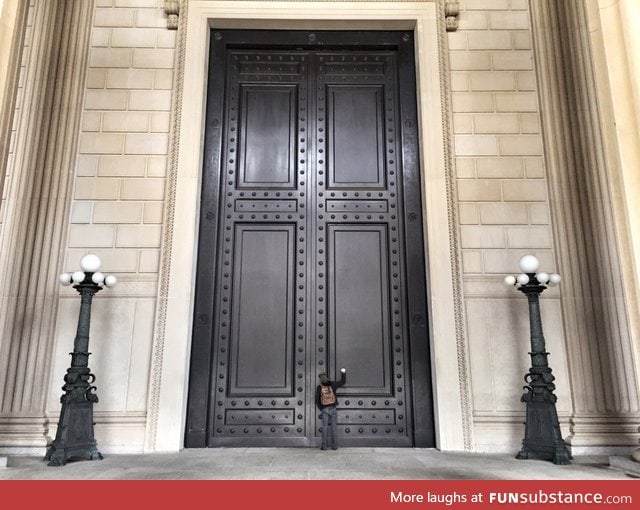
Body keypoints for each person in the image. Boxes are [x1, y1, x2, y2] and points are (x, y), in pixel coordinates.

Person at [316, 368, 346, 450]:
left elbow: (317, 400)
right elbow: (343, 382)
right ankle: (335, 446)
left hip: (325, 409)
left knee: (325, 427)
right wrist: (343, 372)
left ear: (320, 379)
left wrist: (322, 408)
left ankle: (324, 446)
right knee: (334, 427)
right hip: (333, 408)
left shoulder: (319, 387)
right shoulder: (333, 384)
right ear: (327, 377)